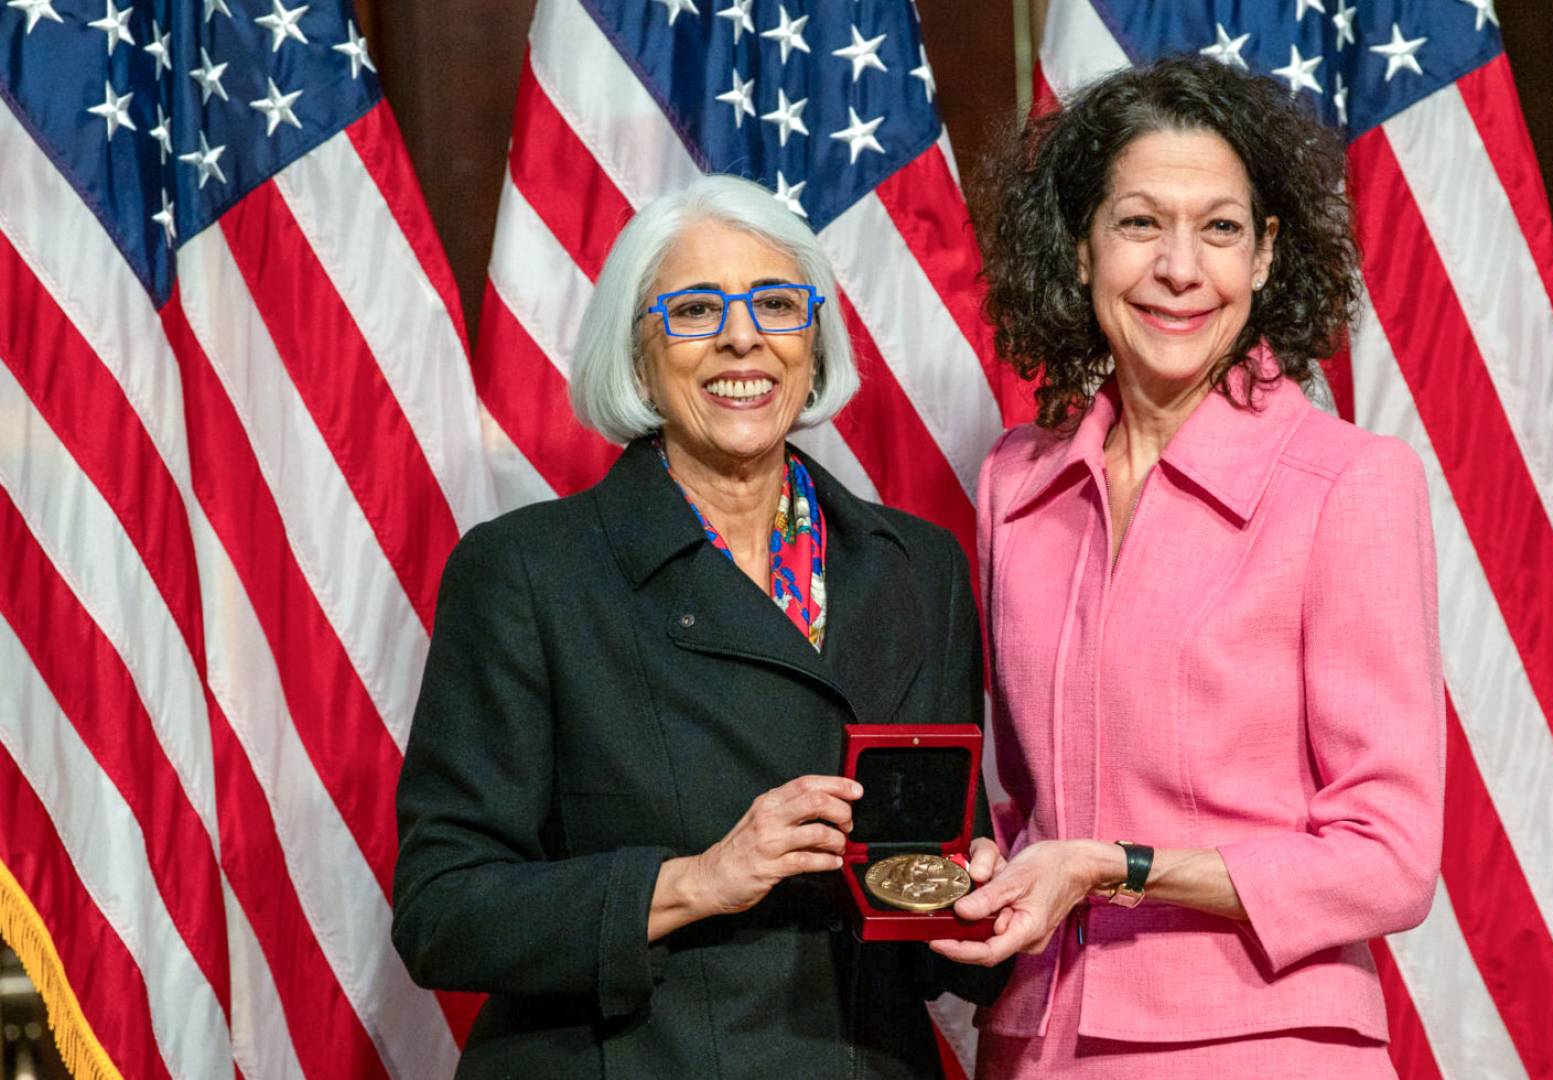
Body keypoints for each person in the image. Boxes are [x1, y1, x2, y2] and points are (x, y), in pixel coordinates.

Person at [392, 174, 1006, 1078]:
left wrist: (975, 905)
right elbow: (442, 911)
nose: (741, 336)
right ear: (638, 357)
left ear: (814, 339)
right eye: (695, 310)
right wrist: (695, 881)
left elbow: (926, 896)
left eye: (775, 304)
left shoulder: (920, 571)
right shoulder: (526, 572)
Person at [929, 56, 1445, 1077]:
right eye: (1137, 224)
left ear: (1264, 258)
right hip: (1035, 1043)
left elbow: (1390, 860)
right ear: (1079, 249)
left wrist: (1116, 867)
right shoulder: (1015, 486)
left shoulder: (1349, 486)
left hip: (1264, 1044)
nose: (1179, 267)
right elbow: (1023, 808)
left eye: (1219, 228)